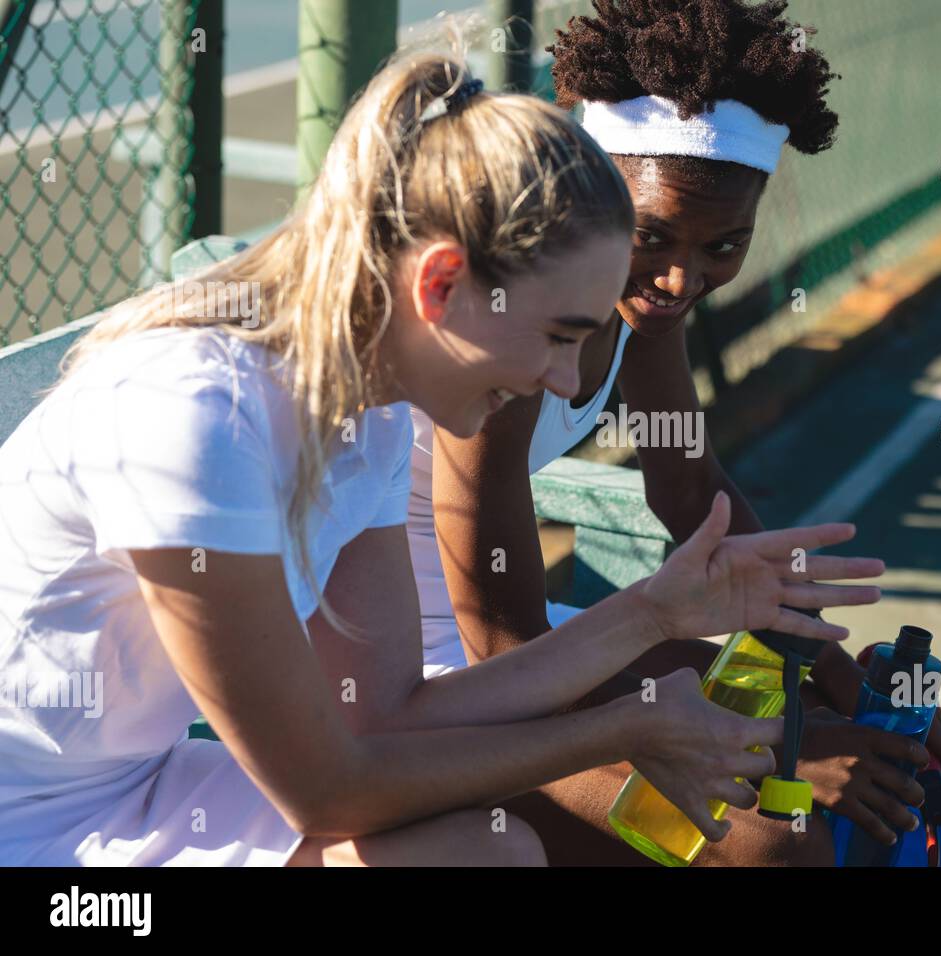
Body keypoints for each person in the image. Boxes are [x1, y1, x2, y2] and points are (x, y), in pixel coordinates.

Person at [0, 44, 882, 866]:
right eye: (558, 336)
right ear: (440, 285)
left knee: (492, 851)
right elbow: (328, 793)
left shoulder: (377, 418)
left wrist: (653, 613)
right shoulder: (198, 417)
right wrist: (625, 728)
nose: (570, 384)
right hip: (38, 843)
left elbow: (389, 716)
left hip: (141, 789)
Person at [407, 0, 941, 865]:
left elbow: (690, 492)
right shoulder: (506, 330)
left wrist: (831, 676)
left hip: (531, 656)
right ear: (587, 190)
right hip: (434, 684)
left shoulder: (634, 308)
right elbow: (496, 643)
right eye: (652, 234)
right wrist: (781, 744)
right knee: (777, 846)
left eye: (724, 246)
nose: (679, 277)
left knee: (858, 759)